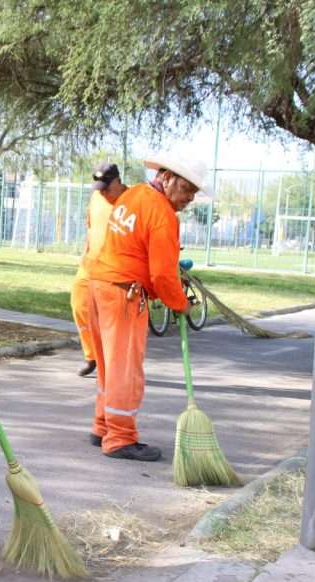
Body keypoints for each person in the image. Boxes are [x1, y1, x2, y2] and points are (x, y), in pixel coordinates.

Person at [86, 152, 206, 461]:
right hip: (124, 294)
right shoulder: (163, 215)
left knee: (109, 365)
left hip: (99, 284)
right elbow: (163, 275)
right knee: (125, 369)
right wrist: (181, 304)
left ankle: (103, 426)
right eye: (185, 189)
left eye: (193, 192)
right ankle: (120, 437)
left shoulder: (135, 194)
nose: (189, 198)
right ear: (166, 177)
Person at [70, 163, 127, 377]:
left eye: (106, 186)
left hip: (115, 270)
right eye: (99, 186)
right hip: (90, 264)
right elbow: (91, 227)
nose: (102, 191)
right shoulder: (96, 198)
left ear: (118, 181)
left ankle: (112, 362)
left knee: (111, 319)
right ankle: (91, 355)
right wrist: (85, 253)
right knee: (79, 304)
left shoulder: (130, 201)